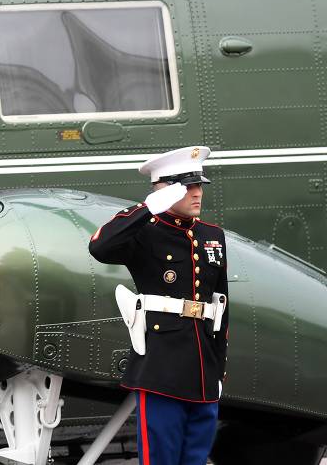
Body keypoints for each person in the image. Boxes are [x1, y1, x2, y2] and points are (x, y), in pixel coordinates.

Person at [89, 146, 229, 465]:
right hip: (160, 368)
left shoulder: (212, 236)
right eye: (187, 186)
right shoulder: (145, 234)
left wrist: (218, 367)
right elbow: (100, 246)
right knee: (161, 458)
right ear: (165, 190)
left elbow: (220, 307)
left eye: (199, 185)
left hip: (203, 369)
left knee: (195, 457)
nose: (197, 194)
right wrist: (147, 209)